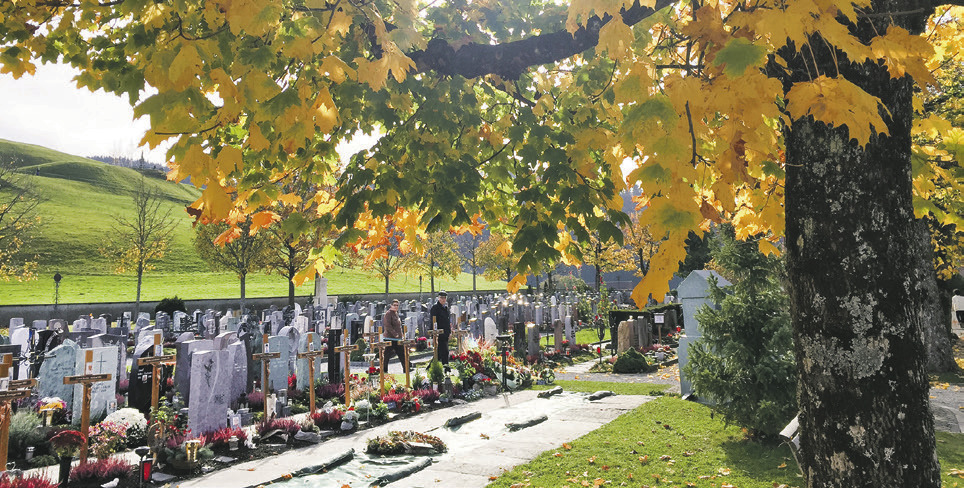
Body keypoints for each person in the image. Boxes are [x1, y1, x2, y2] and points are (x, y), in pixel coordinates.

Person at [381, 299, 406, 373]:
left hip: (397, 339)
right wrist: (395, 334)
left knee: (402, 353)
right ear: (391, 306)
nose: (396, 307)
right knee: (387, 355)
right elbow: (388, 326)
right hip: (389, 338)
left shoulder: (396, 313)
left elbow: (398, 326)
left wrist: (401, 336)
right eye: (394, 305)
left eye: (397, 305)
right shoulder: (388, 314)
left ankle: (406, 368)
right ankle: (384, 370)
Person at [430, 291, 451, 369]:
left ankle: (431, 368)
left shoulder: (445, 308)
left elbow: (447, 321)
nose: (443, 299)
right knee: (445, 352)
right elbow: (433, 321)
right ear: (438, 298)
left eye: (444, 298)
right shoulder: (435, 308)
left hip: (445, 333)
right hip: (439, 333)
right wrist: (434, 333)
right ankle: (446, 368)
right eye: (441, 298)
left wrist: (449, 332)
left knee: (439, 354)